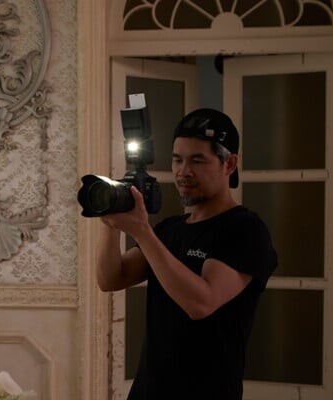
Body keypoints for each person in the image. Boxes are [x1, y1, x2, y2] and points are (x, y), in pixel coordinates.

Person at [95, 108, 277, 399]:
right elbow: (111, 278)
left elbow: (201, 303)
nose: (183, 171)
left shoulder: (245, 230)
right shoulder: (170, 230)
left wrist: (142, 231)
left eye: (197, 160)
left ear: (229, 164)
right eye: (177, 159)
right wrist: (112, 223)